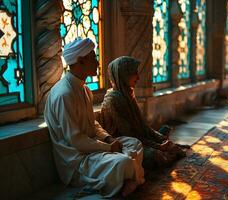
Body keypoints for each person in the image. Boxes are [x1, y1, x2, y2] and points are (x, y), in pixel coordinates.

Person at [44, 38, 144, 198]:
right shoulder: (64, 94)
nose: (98, 62)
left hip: (94, 148)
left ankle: (126, 178)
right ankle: (126, 176)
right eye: (93, 58)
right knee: (124, 162)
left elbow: (93, 124)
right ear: (80, 61)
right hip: (77, 161)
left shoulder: (84, 89)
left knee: (134, 143)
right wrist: (109, 148)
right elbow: (75, 141)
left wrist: (108, 139)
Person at [97, 56, 186, 169]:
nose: (138, 77)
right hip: (123, 143)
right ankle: (165, 154)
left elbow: (142, 126)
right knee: (155, 156)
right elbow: (129, 134)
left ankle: (165, 149)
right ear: (124, 75)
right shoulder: (113, 100)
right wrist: (158, 146)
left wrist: (160, 139)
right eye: (134, 73)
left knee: (165, 133)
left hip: (137, 139)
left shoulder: (128, 94)